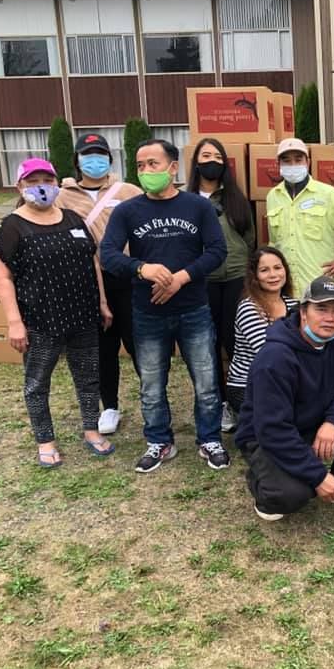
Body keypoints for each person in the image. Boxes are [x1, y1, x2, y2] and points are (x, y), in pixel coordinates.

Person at [101, 139, 230, 474]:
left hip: (194, 309)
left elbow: (217, 251)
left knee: (205, 380)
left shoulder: (197, 207)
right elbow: (109, 254)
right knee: (152, 385)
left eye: (153, 164)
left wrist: (181, 278)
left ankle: (209, 438)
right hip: (147, 312)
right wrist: (142, 268)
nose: (146, 171)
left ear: (173, 167)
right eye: (140, 165)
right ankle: (159, 441)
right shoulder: (127, 211)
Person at [0, 158, 114, 467]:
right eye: (33, 182)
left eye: (46, 180)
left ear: (57, 183)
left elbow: (93, 262)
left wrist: (101, 302)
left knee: (88, 377)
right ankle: (45, 440)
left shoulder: (73, 219)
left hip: (82, 314)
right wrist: (14, 323)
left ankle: (91, 429)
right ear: (20, 186)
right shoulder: (12, 226)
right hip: (40, 320)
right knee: (37, 382)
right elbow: (2, 277)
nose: (40, 187)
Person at [234, 276, 334, 521]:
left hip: (315, 421)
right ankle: (262, 480)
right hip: (268, 436)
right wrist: (318, 476)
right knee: (290, 496)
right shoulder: (275, 357)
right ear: (303, 311)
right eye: (321, 309)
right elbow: (272, 428)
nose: (330, 318)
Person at [58, 133, 142, 437]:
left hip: (127, 277)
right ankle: (110, 406)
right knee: (103, 347)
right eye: (88, 154)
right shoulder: (62, 196)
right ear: (77, 160)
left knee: (138, 343)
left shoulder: (129, 190)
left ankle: (151, 400)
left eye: (101, 154)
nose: (95, 160)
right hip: (88, 281)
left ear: (110, 158)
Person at [186, 137, 256, 433]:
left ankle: (243, 400)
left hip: (236, 278)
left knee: (234, 340)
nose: (211, 160)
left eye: (217, 156)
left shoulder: (236, 199)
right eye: (205, 155)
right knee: (206, 344)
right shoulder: (185, 199)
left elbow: (250, 239)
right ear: (196, 162)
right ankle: (216, 403)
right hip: (200, 280)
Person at [266, 138, 334, 295]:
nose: (293, 165)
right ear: (278, 165)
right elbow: (274, 242)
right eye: (287, 161)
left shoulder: (328, 194)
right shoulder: (273, 196)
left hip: (323, 288)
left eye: (298, 159)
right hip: (287, 290)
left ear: (308, 163)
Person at [225, 246, 299, 415]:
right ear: (255, 276)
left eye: (278, 268)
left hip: (285, 380)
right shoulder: (249, 308)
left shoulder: (294, 305)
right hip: (248, 385)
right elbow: (268, 354)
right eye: (264, 270)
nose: (273, 275)